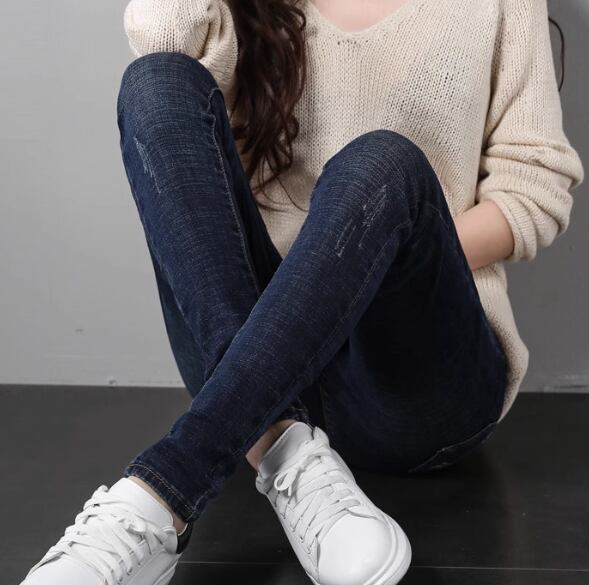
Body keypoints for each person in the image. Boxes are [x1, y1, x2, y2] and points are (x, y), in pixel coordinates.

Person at [21, 0, 584, 584]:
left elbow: (534, 189)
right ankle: (288, 451)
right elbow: (161, 34)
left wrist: (365, 260)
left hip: (413, 382)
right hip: (256, 351)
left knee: (381, 162)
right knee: (156, 82)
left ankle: (161, 492)